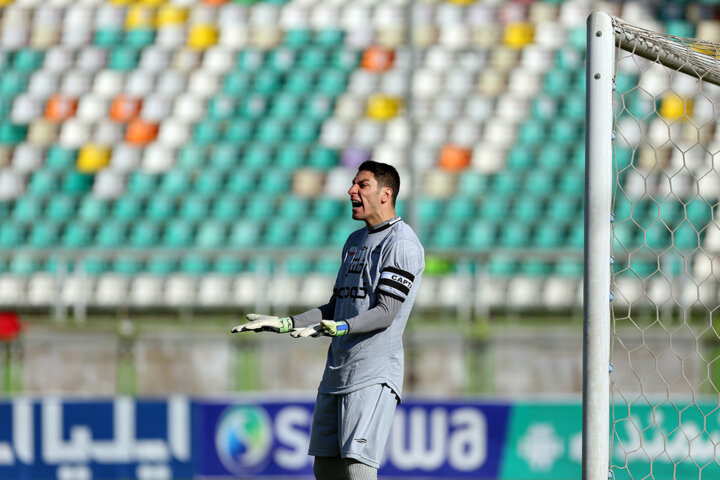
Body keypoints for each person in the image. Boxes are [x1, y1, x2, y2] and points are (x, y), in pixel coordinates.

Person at [232, 160, 425, 480]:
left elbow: (387, 311)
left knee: (357, 470)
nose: (352, 190)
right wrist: (286, 323)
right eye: (353, 184)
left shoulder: (401, 243)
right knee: (325, 470)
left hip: (372, 375)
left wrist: (343, 327)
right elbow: (338, 306)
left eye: (362, 185)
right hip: (337, 373)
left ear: (385, 194)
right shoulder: (353, 242)